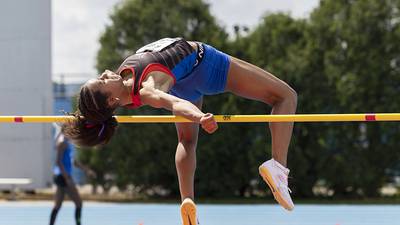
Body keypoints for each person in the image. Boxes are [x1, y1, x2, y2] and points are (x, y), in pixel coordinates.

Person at [63, 37, 297, 224]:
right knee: (285, 96)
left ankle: (187, 200)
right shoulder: (148, 89)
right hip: (205, 65)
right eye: (102, 80)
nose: (105, 72)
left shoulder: (122, 86)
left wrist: (84, 116)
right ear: (113, 100)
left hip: (182, 84)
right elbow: (175, 104)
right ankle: (278, 166)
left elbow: (100, 109)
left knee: (187, 140)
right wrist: (199, 116)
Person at [49, 130, 95, 225]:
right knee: (79, 203)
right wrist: (67, 178)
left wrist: (86, 170)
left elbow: (73, 161)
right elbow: (58, 162)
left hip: (62, 176)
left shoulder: (68, 142)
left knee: (57, 205)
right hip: (63, 176)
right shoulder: (62, 143)